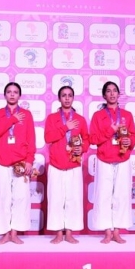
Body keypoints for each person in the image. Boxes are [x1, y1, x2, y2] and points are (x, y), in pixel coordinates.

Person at [89, 81, 135, 244]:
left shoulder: (127, 115)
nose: (112, 93)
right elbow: (93, 139)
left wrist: (129, 142)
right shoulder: (98, 116)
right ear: (104, 95)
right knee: (103, 195)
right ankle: (107, 232)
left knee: (121, 195)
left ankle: (117, 231)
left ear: (118, 94)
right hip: (104, 159)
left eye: (114, 90)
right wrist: (111, 130)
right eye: (108, 91)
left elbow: (133, 136)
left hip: (123, 159)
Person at [0, 82, 36, 244]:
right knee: (3, 198)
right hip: (2, 161)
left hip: (21, 162)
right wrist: (12, 120)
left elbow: (31, 139)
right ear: (5, 95)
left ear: (19, 95)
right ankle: (4, 233)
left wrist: (29, 161)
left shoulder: (26, 114)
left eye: (15, 92)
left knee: (20, 198)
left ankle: (15, 232)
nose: (12, 94)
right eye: (9, 92)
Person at [44, 86, 89, 244]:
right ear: (59, 98)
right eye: (64, 95)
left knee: (73, 199)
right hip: (56, 164)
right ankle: (58, 233)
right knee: (56, 199)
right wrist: (65, 127)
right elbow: (48, 137)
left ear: (73, 98)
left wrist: (82, 148)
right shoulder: (52, 118)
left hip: (74, 164)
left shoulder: (80, 119)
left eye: (70, 95)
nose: (67, 98)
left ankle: (69, 233)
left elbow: (87, 139)